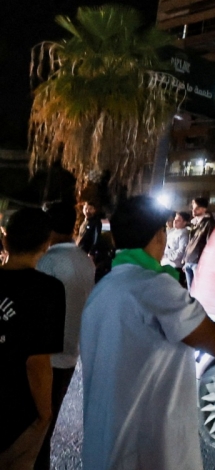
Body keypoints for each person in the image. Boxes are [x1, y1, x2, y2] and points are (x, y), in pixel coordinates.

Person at [79, 195, 215, 469]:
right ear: (158, 236)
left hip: (102, 451)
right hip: (149, 455)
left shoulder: (103, 290)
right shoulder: (156, 289)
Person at [0, 208, 66, 470]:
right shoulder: (48, 290)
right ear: (45, 245)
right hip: (18, 412)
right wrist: (45, 413)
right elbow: (37, 362)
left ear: (5, 240)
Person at [33, 200, 96, 470]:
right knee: (48, 424)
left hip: (45, 356)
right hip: (70, 352)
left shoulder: (47, 261)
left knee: (35, 430)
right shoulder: (85, 261)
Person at [182, 197, 215, 290]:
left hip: (198, 261)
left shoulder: (208, 223)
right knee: (190, 290)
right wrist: (185, 259)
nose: (193, 210)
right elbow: (189, 242)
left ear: (204, 209)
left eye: (197, 208)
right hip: (189, 260)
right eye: (193, 207)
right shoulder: (193, 223)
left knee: (198, 290)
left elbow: (210, 244)